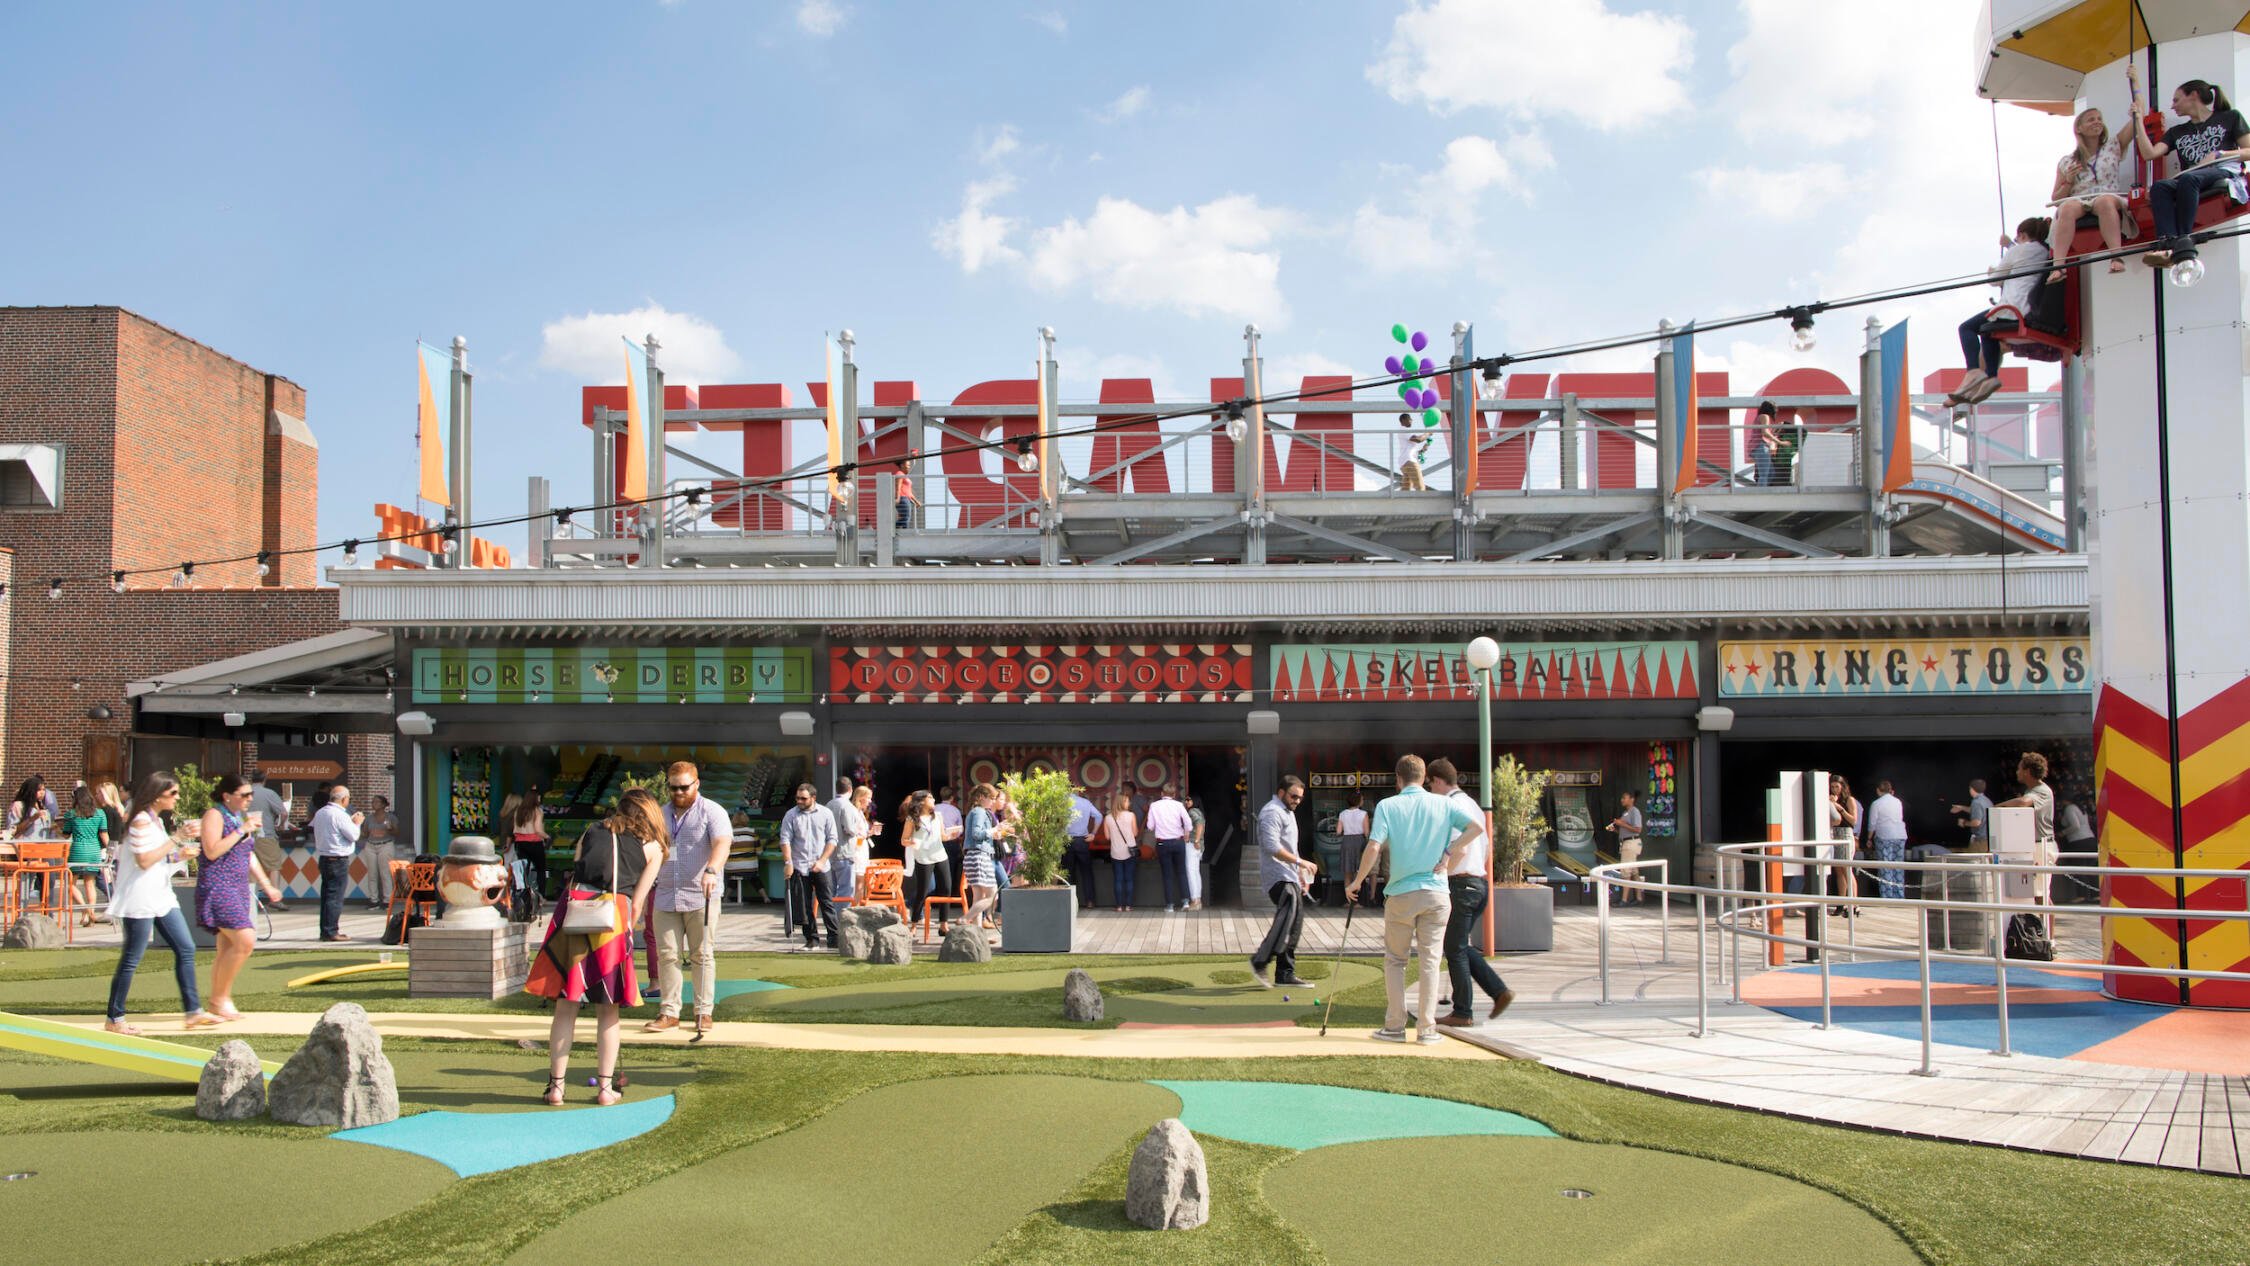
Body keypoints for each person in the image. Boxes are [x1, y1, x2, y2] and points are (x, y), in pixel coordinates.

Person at [526, 787, 665, 1106]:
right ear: (650, 813)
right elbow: (638, 903)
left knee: (566, 1004)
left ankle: (556, 1088)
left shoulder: (593, 830)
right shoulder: (654, 847)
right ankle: (605, 1089)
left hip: (576, 911)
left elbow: (577, 868)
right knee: (608, 1008)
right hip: (613, 917)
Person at [1348, 755, 1481, 1045]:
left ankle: (1395, 1026)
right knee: (1431, 961)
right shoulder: (1445, 803)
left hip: (1401, 893)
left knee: (1396, 960)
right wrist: (1449, 853)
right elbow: (1476, 829)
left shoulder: (1388, 805)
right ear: (1424, 778)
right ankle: (1426, 1029)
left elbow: (1374, 846)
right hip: (1436, 891)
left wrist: (1357, 882)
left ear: (1398, 779)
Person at [104, 773, 214, 1034]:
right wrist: (177, 839)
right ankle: (115, 1018)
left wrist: (179, 853)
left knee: (186, 948)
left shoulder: (153, 821)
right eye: (173, 793)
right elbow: (143, 860)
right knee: (132, 958)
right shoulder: (141, 821)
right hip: (140, 898)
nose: (177, 798)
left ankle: (193, 1011)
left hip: (160, 895)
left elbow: (157, 857)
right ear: (157, 795)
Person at [2128, 63, 2250, 268]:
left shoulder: (2230, 117)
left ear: (2193, 95)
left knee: (2188, 178)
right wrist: (2138, 120)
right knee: (2160, 187)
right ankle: (2167, 242)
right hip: (2192, 176)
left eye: (2176, 100)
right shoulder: (2178, 131)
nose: (2173, 106)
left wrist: (2220, 154)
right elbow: (2149, 153)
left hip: (2223, 171)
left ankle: (2183, 238)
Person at [1426, 759, 1513, 1026]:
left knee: (1455, 950)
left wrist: (1438, 872)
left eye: (1430, 785)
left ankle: (1463, 1012)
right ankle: (1498, 991)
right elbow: (1484, 848)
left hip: (1460, 885)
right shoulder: (1473, 805)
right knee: (1460, 945)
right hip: (1479, 884)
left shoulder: (1451, 806)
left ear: (1438, 781)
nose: (1430, 791)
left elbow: (1459, 847)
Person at [648, 760, 730, 1036]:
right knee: (667, 955)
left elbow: (722, 843)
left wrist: (711, 870)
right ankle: (669, 1012)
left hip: (701, 894)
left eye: (684, 787)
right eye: (673, 788)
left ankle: (703, 1012)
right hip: (666, 892)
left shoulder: (712, 811)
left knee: (702, 954)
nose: (678, 793)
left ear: (697, 784)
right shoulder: (660, 813)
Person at [196, 775, 284, 1022]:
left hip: (237, 887)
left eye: (250, 795)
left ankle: (220, 999)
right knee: (245, 940)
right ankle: (219, 999)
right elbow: (212, 850)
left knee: (227, 946)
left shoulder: (240, 818)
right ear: (227, 795)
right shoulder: (215, 815)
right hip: (218, 886)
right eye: (243, 795)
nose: (249, 799)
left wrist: (267, 885)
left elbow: (248, 854)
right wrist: (241, 830)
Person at [1949, 217, 2052, 406]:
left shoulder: (2020, 249)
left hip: (2012, 308)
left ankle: (1973, 370)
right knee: (1989, 331)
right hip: (2028, 308)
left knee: (1966, 328)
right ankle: (1991, 376)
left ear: (2021, 234)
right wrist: (2010, 246)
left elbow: (1996, 280)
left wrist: (1991, 271)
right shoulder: (2044, 252)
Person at [2049, 104, 2136, 281]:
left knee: (2104, 202)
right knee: (2066, 208)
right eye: (2091, 120)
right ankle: (2058, 267)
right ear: (2079, 128)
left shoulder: (2112, 146)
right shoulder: (2067, 161)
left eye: (2099, 119)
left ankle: (2116, 256)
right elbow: (2056, 198)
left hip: (2107, 195)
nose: (2097, 122)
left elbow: (2135, 122)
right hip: (2079, 199)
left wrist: (2137, 103)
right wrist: (2069, 181)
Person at [1249, 776, 1317, 988]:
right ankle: (1260, 961)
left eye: (1300, 798)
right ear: (1281, 793)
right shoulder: (1272, 812)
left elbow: (1290, 847)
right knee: (1287, 918)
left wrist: (1299, 873)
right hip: (1277, 877)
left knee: (1294, 923)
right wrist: (1301, 862)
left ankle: (1285, 973)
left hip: (1289, 876)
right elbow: (1271, 847)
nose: (1297, 800)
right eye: (1293, 796)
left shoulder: (1288, 812)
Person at [780, 783, 839, 950]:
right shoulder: (791, 815)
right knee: (804, 905)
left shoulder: (826, 813)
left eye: (803, 798)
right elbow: (785, 840)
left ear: (813, 798)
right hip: (799, 865)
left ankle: (834, 938)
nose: (799, 801)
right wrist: (788, 862)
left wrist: (821, 860)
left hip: (822, 865)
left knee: (826, 902)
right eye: (797, 798)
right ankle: (811, 939)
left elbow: (832, 839)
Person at [1995, 752, 2058, 904]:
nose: (2017, 772)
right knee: (2032, 893)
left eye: (2019, 769)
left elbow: (2024, 802)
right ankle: (2040, 927)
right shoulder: (2032, 790)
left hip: (2041, 846)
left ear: (2027, 771)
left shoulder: (2041, 791)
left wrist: (1999, 806)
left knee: (2040, 894)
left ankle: (2047, 928)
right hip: (2032, 846)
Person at [308, 785, 363, 942]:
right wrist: (357, 823)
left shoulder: (320, 812)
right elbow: (353, 835)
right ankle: (331, 931)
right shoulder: (340, 815)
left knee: (327, 896)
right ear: (344, 799)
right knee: (335, 897)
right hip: (337, 859)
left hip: (324, 857)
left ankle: (326, 930)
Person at [902, 791, 954, 927]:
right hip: (923, 858)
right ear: (921, 801)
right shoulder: (912, 819)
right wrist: (911, 842)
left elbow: (942, 836)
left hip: (940, 855)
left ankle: (944, 924)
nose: (933, 799)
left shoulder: (937, 816)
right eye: (930, 797)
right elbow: (903, 840)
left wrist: (951, 835)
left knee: (946, 889)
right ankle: (914, 923)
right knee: (923, 891)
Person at [61, 783, 109, 926]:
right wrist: (111, 851)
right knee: (90, 883)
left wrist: (55, 828)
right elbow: (104, 835)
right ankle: (91, 913)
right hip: (94, 851)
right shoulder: (100, 813)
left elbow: (65, 835)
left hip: (77, 851)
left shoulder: (71, 814)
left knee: (69, 883)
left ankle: (85, 910)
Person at [960, 783, 1002, 944]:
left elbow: (977, 835)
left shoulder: (975, 811)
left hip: (973, 856)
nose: (993, 802)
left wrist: (994, 835)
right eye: (991, 798)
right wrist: (992, 831)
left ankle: (979, 937)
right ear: (981, 797)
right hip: (980, 856)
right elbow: (977, 834)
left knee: (978, 898)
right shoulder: (979, 811)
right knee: (993, 896)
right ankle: (966, 919)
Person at [246, 775, 292, 910]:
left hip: (246, 835)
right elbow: (283, 813)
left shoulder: (244, 793)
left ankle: (251, 900)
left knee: (250, 868)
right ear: (264, 780)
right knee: (274, 866)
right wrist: (281, 825)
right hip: (265, 834)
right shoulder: (269, 793)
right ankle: (275, 900)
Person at [1146, 783, 1193, 912]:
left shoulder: (1154, 806)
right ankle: (1185, 902)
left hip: (1162, 843)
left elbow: (1150, 826)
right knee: (1182, 872)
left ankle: (1170, 905)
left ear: (1162, 794)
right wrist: (1186, 834)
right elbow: (1188, 823)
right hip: (1178, 842)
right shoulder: (1179, 805)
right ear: (1174, 795)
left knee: (1167, 874)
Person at [1865, 779, 1907, 901]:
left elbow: (1872, 823)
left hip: (1884, 835)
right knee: (1898, 866)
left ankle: (1887, 897)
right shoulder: (1898, 801)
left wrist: (1869, 838)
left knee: (1885, 866)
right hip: (1900, 835)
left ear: (1878, 790)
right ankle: (1899, 895)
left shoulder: (1876, 803)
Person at [1602, 790, 1645, 906]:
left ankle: (1624, 900)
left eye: (1624, 798)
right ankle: (1639, 898)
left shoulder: (1634, 811)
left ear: (1632, 799)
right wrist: (1615, 830)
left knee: (1626, 871)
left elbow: (1638, 829)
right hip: (1627, 842)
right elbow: (1625, 831)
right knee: (1634, 872)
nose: (1622, 800)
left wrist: (1621, 824)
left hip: (1631, 844)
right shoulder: (1626, 812)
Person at [831, 782, 871, 904]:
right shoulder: (850, 808)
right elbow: (850, 829)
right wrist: (861, 834)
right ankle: (847, 913)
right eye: (868, 798)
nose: (870, 801)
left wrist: (869, 832)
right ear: (861, 797)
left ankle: (852, 909)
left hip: (849, 849)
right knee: (851, 885)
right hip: (851, 850)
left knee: (854, 883)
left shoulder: (831, 804)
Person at [507, 790, 549, 903]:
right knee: (541, 870)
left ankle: (522, 896)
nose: (540, 799)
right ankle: (541, 896)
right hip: (534, 843)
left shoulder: (518, 811)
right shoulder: (537, 811)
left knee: (523, 871)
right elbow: (538, 830)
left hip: (520, 844)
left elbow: (514, 828)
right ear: (534, 799)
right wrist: (547, 837)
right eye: (539, 797)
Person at [1065, 788, 1102, 909]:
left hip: (1066, 840)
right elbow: (1099, 816)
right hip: (1082, 840)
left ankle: (1070, 903)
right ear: (1078, 791)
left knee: (1069, 873)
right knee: (1086, 872)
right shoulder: (1085, 802)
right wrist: (1093, 833)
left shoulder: (1062, 802)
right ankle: (1090, 901)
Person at [1104, 790, 1139, 911]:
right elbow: (1135, 833)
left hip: (1115, 852)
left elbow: (1107, 837)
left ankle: (1119, 906)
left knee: (1118, 879)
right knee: (1129, 879)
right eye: (1128, 801)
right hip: (1130, 852)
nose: (1129, 803)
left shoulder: (1108, 818)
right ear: (1122, 803)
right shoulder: (1131, 815)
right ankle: (1128, 906)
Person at [361, 794, 399, 909]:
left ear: (383, 804)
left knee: (385, 873)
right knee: (372, 874)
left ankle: (387, 900)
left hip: (385, 844)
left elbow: (397, 832)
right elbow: (365, 833)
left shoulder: (390, 817)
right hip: (371, 845)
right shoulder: (369, 818)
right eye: (373, 802)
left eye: (377, 802)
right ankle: (374, 900)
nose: (374, 804)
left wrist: (390, 828)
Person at [1335, 789, 1369, 905]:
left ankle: (1348, 901)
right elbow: (1366, 832)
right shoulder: (1363, 814)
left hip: (1347, 841)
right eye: (1362, 799)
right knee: (1358, 871)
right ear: (1359, 801)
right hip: (1359, 841)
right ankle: (1357, 900)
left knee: (1347, 872)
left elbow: (1338, 831)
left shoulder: (1343, 814)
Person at [1951, 778, 1994, 851]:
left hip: (1980, 841)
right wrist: (1961, 807)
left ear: (1971, 789)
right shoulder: (1987, 800)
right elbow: (1978, 811)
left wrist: (1964, 822)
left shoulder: (1976, 802)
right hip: (1988, 840)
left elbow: (1976, 822)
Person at [1747, 400, 1780, 487]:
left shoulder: (1760, 417)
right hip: (1760, 446)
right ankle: (1760, 493)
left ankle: (1761, 489)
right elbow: (1765, 432)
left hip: (1759, 446)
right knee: (1764, 474)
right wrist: (1779, 442)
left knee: (1771, 473)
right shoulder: (1765, 416)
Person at [1183, 793, 1207, 911]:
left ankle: (1195, 900)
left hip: (1192, 844)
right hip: (1198, 845)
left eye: (1189, 800)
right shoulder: (1199, 811)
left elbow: (1200, 825)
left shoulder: (1192, 812)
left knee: (1191, 872)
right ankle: (1198, 900)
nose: (1186, 801)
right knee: (1196, 872)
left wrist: (1196, 840)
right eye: (1186, 800)